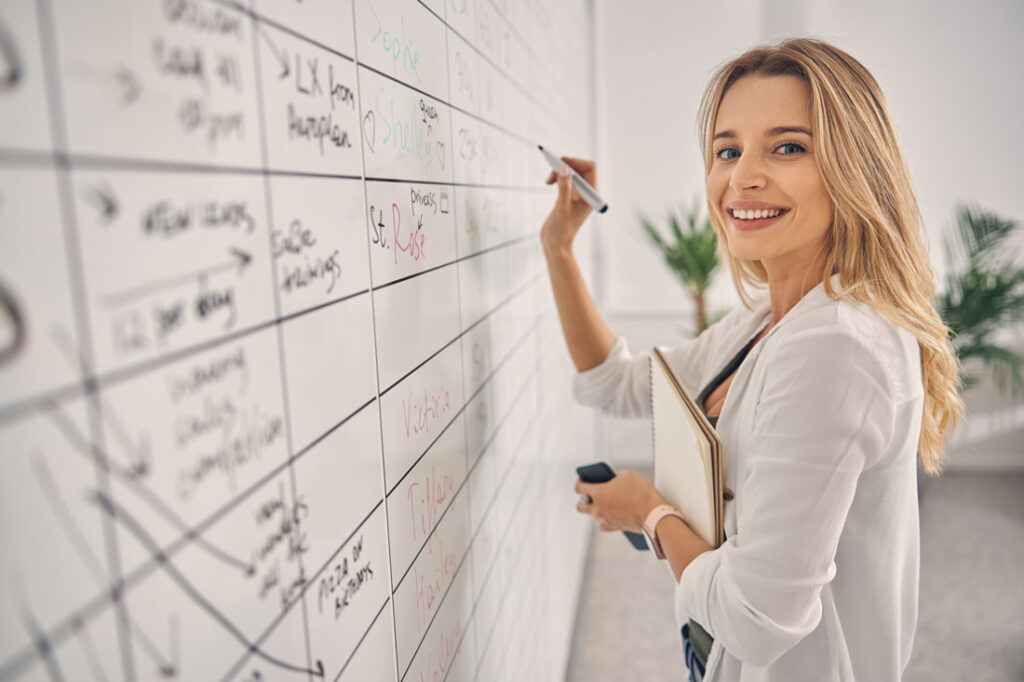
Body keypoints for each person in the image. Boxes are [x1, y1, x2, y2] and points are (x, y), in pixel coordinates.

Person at [540, 38, 964, 682]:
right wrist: (560, 249)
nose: (742, 177)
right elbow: (619, 385)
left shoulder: (836, 346)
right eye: (727, 150)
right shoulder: (768, 319)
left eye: (788, 147)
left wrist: (650, 515)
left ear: (855, 168)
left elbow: (756, 617)